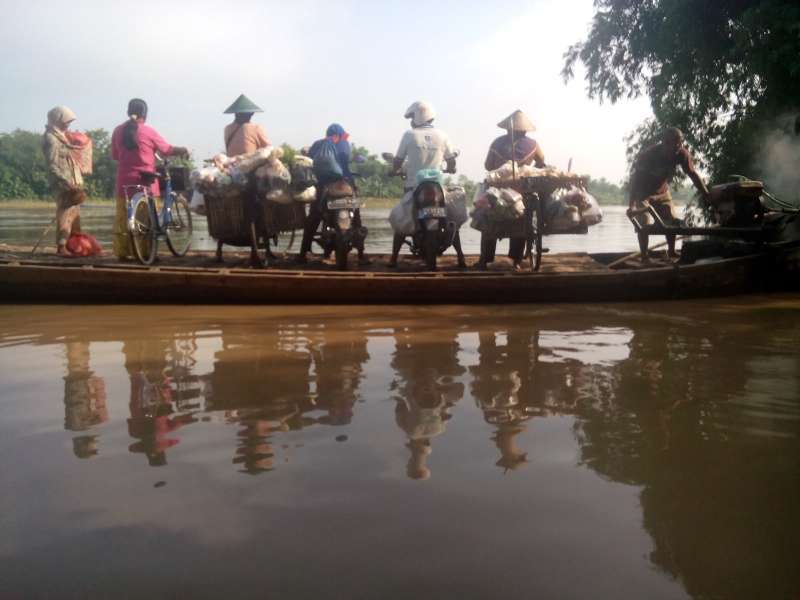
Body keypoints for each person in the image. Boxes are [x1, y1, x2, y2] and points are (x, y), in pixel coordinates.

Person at [111, 98, 188, 260]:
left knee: (122, 218)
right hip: (145, 181)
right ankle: (146, 252)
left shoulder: (117, 131)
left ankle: (122, 253)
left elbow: (116, 156)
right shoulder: (148, 131)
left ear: (128, 112)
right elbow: (166, 150)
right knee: (147, 219)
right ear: (144, 115)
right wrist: (183, 149)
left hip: (124, 182)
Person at [388, 101, 463, 267]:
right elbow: (451, 162)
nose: (411, 121)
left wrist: (395, 170)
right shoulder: (442, 135)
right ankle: (461, 258)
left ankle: (393, 258)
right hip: (438, 187)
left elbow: (398, 161)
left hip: (413, 187)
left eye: (412, 117)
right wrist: (450, 169)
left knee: (402, 220)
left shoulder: (409, 135)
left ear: (417, 116)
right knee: (451, 218)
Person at [628, 127, 710, 261]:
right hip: (643, 194)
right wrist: (631, 205)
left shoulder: (681, 154)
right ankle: (644, 256)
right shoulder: (648, 156)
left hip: (663, 193)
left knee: (671, 221)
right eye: (672, 144)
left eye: (679, 144)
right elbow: (635, 181)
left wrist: (706, 193)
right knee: (644, 223)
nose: (675, 148)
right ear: (664, 143)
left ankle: (671, 251)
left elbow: (693, 175)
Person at [478, 110, 545, 270]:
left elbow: (488, 165)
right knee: (524, 217)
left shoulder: (496, 143)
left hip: (498, 190)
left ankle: (486, 259)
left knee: (488, 218)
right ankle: (515, 259)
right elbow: (541, 162)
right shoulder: (534, 145)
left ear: (508, 129)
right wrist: (527, 168)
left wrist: (501, 170)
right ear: (525, 130)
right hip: (523, 190)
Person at [296, 123, 367, 264]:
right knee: (357, 218)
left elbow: (310, 161)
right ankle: (361, 255)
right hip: (345, 183)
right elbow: (346, 159)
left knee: (313, 219)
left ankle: (302, 254)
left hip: (322, 185)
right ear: (340, 134)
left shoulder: (318, 144)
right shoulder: (344, 144)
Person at [42, 106, 85, 256]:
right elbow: (52, 165)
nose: (68, 124)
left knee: (74, 214)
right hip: (62, 182)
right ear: (58, 119)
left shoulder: (60, 136)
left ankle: (74, 245)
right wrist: (66, 181)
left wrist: (73, 147)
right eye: (66, 121)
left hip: (70, 180)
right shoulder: (51, 138)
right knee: (65, 214)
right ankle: (62, 247)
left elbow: (64, 151)